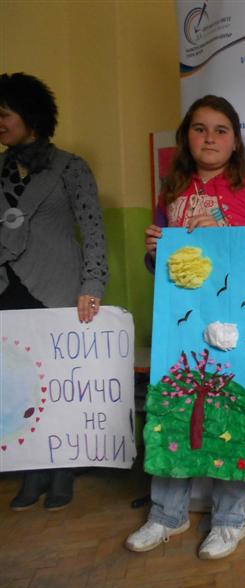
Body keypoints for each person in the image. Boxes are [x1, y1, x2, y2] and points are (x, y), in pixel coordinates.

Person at [126, 95, 245, 560]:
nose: (209, 138)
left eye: (220, 130)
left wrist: (222, 237)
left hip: (237, 324)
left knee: (232, 414)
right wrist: (155, 252)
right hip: (182, 322)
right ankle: (166, 514)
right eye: (199, 129)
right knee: (172, 409)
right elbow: (161, 269)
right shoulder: (171, 193)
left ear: (235, 142)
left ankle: (230, 520)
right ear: (186, 138)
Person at [0, 72, 108, 511]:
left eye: (4, 114)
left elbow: (93, 231)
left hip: (60, 288)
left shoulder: (70, 167)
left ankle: (62, 469)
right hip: (7, 289)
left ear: (31, 116)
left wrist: (93, 285)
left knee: (60, 384)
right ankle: (33, 470)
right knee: (19, 385)